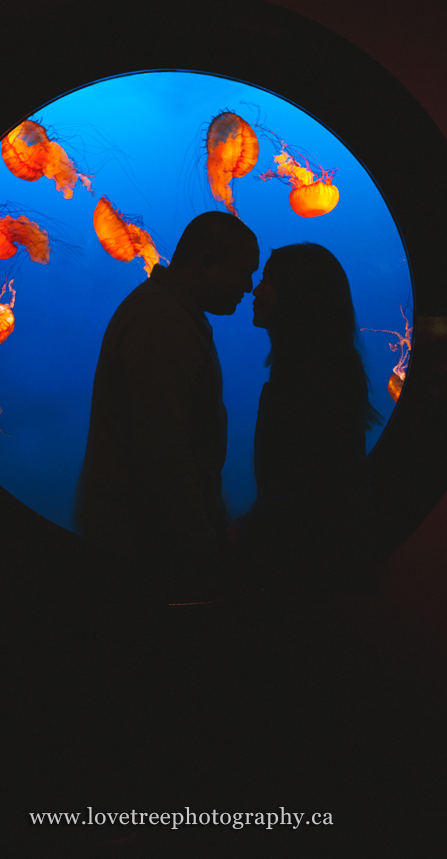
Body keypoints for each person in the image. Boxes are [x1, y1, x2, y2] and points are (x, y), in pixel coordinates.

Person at [74, 210, 260, 606]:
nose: (249, 287)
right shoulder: (162, 321)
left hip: (146, 539)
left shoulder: (171, 311)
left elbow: (184, 445)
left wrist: (216, 513)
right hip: (143, 547)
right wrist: (200, 546)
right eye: (245, 272)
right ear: (208, 263)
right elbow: (163, 453)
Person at [237, 242, 384, 607]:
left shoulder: (313, 377)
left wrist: (247, 536)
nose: (256, 290)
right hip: (320, 563)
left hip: (309, 571)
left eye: (268, 282)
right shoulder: (322, 367)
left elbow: (306, 490)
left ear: (298, 295)